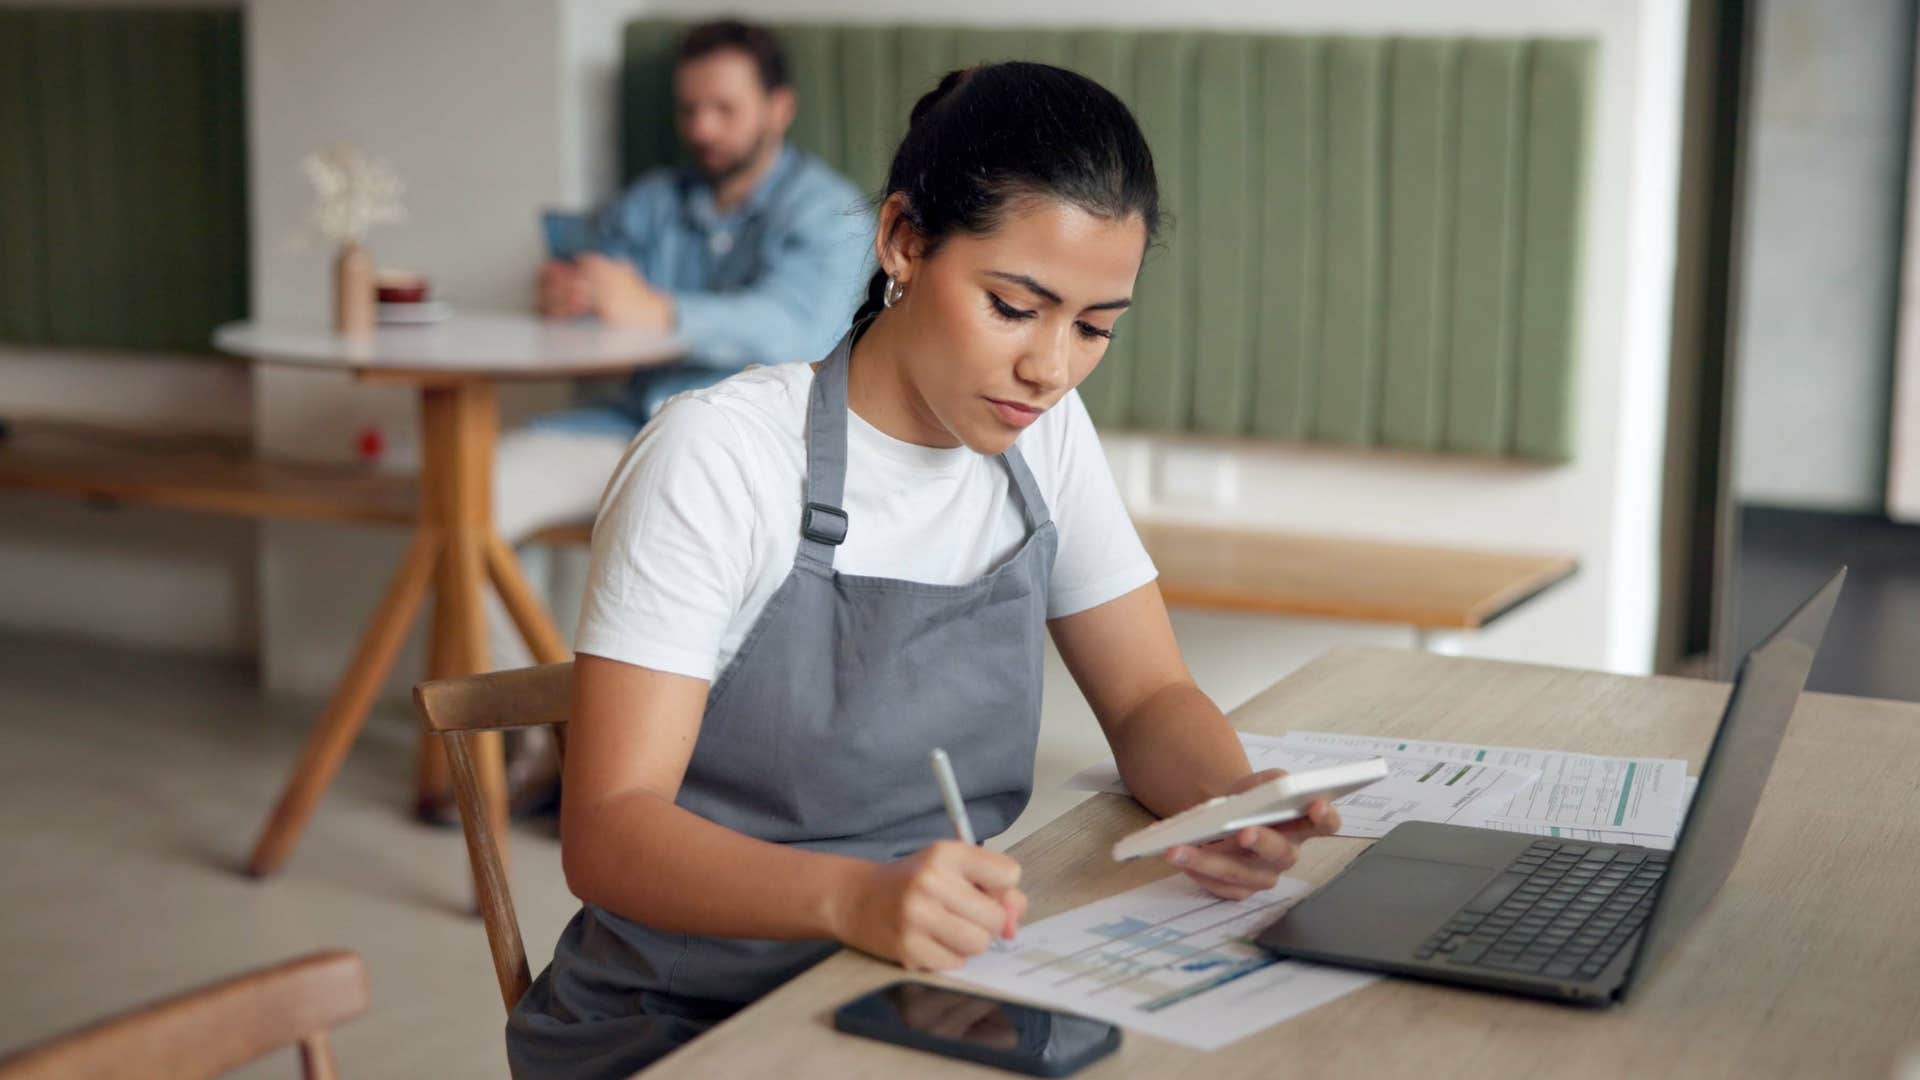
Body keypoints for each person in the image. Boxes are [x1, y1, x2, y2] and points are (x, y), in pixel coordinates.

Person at [505, 61, 1343, 1078]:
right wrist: (855, 897)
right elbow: (607, 832)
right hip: (687, 1021)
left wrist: (1229, 799)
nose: (1051, 368)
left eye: (1094, 329)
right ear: (904, 240)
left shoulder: (1047, 434)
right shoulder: (720, 456)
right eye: (1013, 306)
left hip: (927, 988)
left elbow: (1151, 696)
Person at [472, 19, 872, 818]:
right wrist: (570, 298)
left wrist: (655, 309)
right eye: (690, 110)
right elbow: (591, 298)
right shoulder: (653, 202)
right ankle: (553, 737)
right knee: (463, 502)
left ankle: (647, 768)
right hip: (623, 428)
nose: (702, 129)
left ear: (779, 108)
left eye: (724, 109)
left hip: (747, 452)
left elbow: (799, 327)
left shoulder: (830, 212)